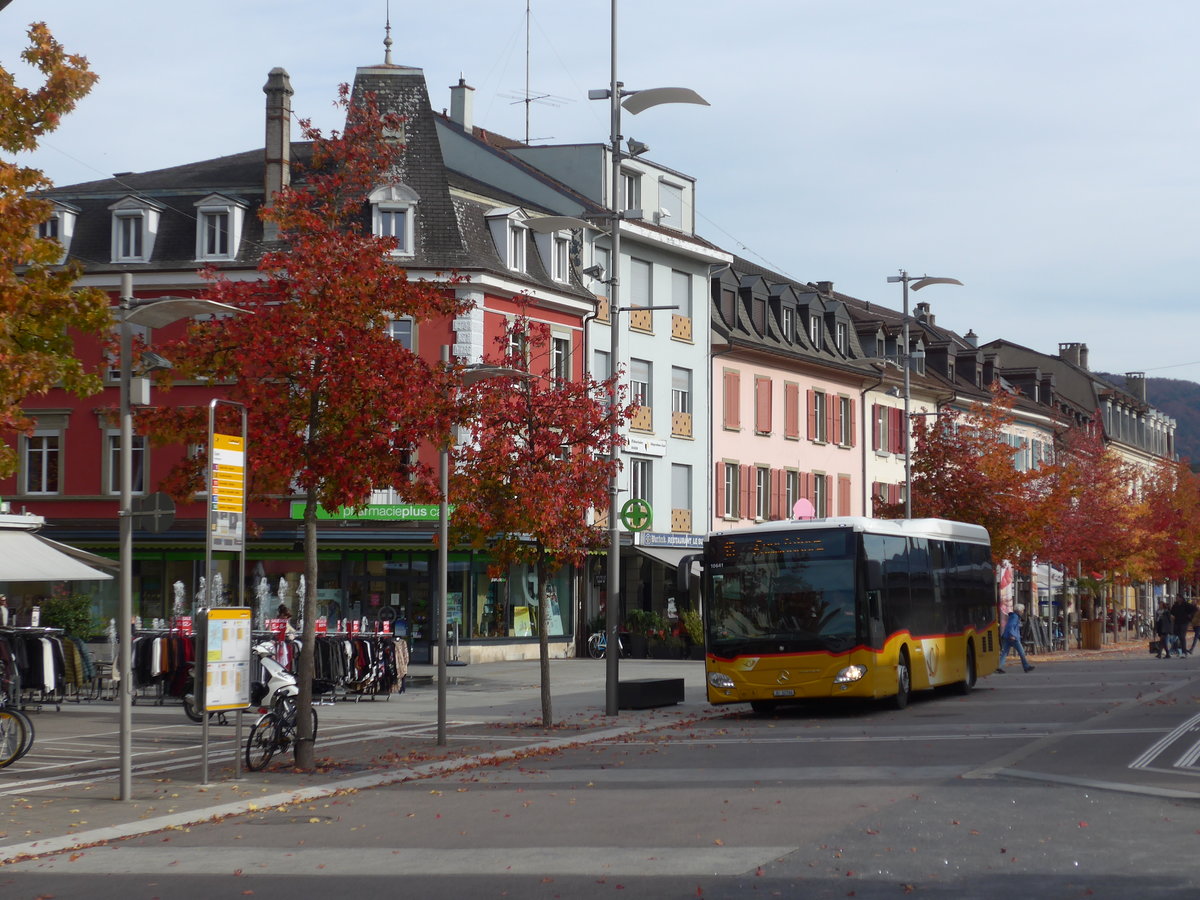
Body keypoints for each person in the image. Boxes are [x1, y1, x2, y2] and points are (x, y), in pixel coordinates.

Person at [996, 603, 1034, 673]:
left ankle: (999, 667)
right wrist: (1012, 635)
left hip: (1007, 637)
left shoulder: (1013, 616)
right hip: (1013, 638)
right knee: (1021, 652)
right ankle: (1026, 667)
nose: (1023, 612)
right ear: (1019, 611)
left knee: (1004, 653)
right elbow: (1010, 626)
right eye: (1022, 610)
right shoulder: (1015, 617)